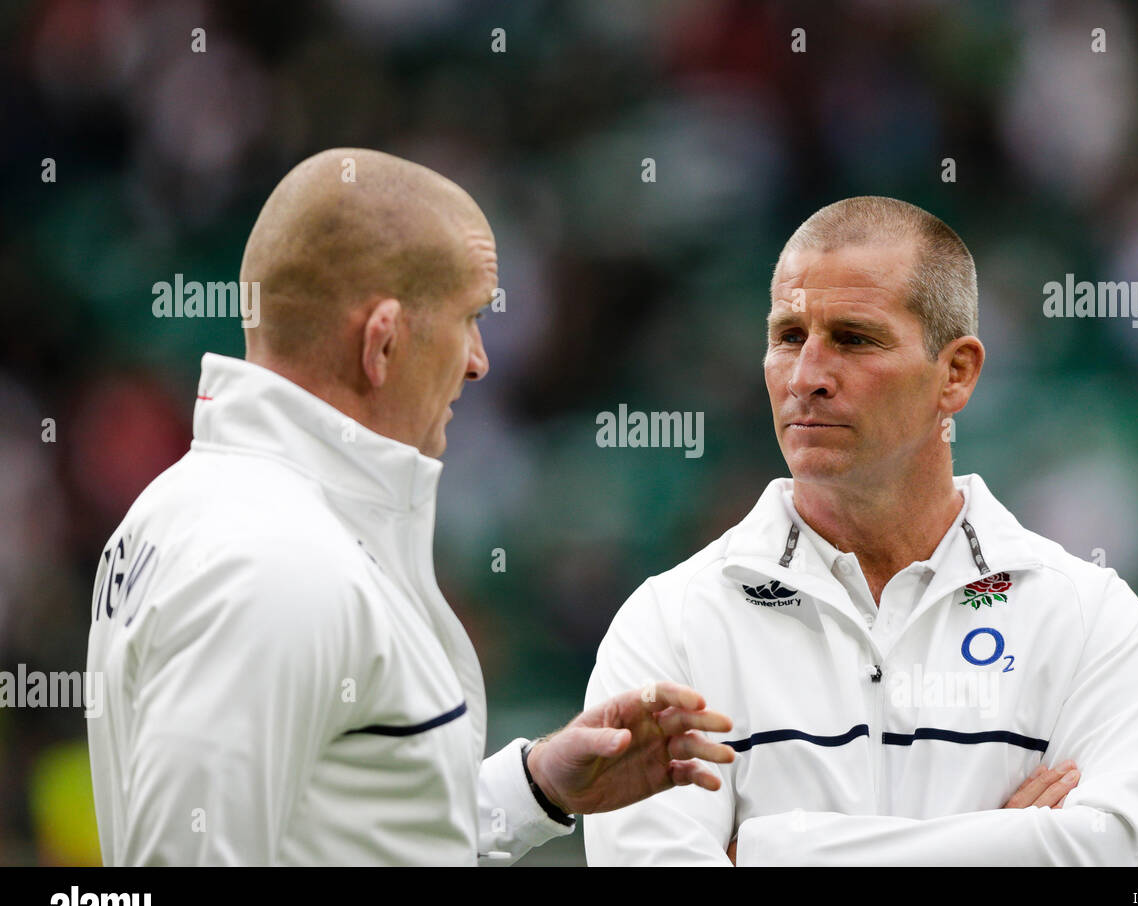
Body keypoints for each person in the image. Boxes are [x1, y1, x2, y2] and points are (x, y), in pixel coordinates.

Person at [85, 147, 735, 866]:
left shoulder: (200, 508)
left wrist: (532, 788)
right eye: (468, 318)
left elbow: (335, 830)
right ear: (383, 340)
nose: (479, 359)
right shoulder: (276, 560)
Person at [583, 197, 1138, 866]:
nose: (806, 377)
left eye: (854, 338)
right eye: (787, 336)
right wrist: (1005, 846)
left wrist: (769, 850)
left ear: (955, 374)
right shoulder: (671, 624)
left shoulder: (1087, 615)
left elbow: (1114, 850)